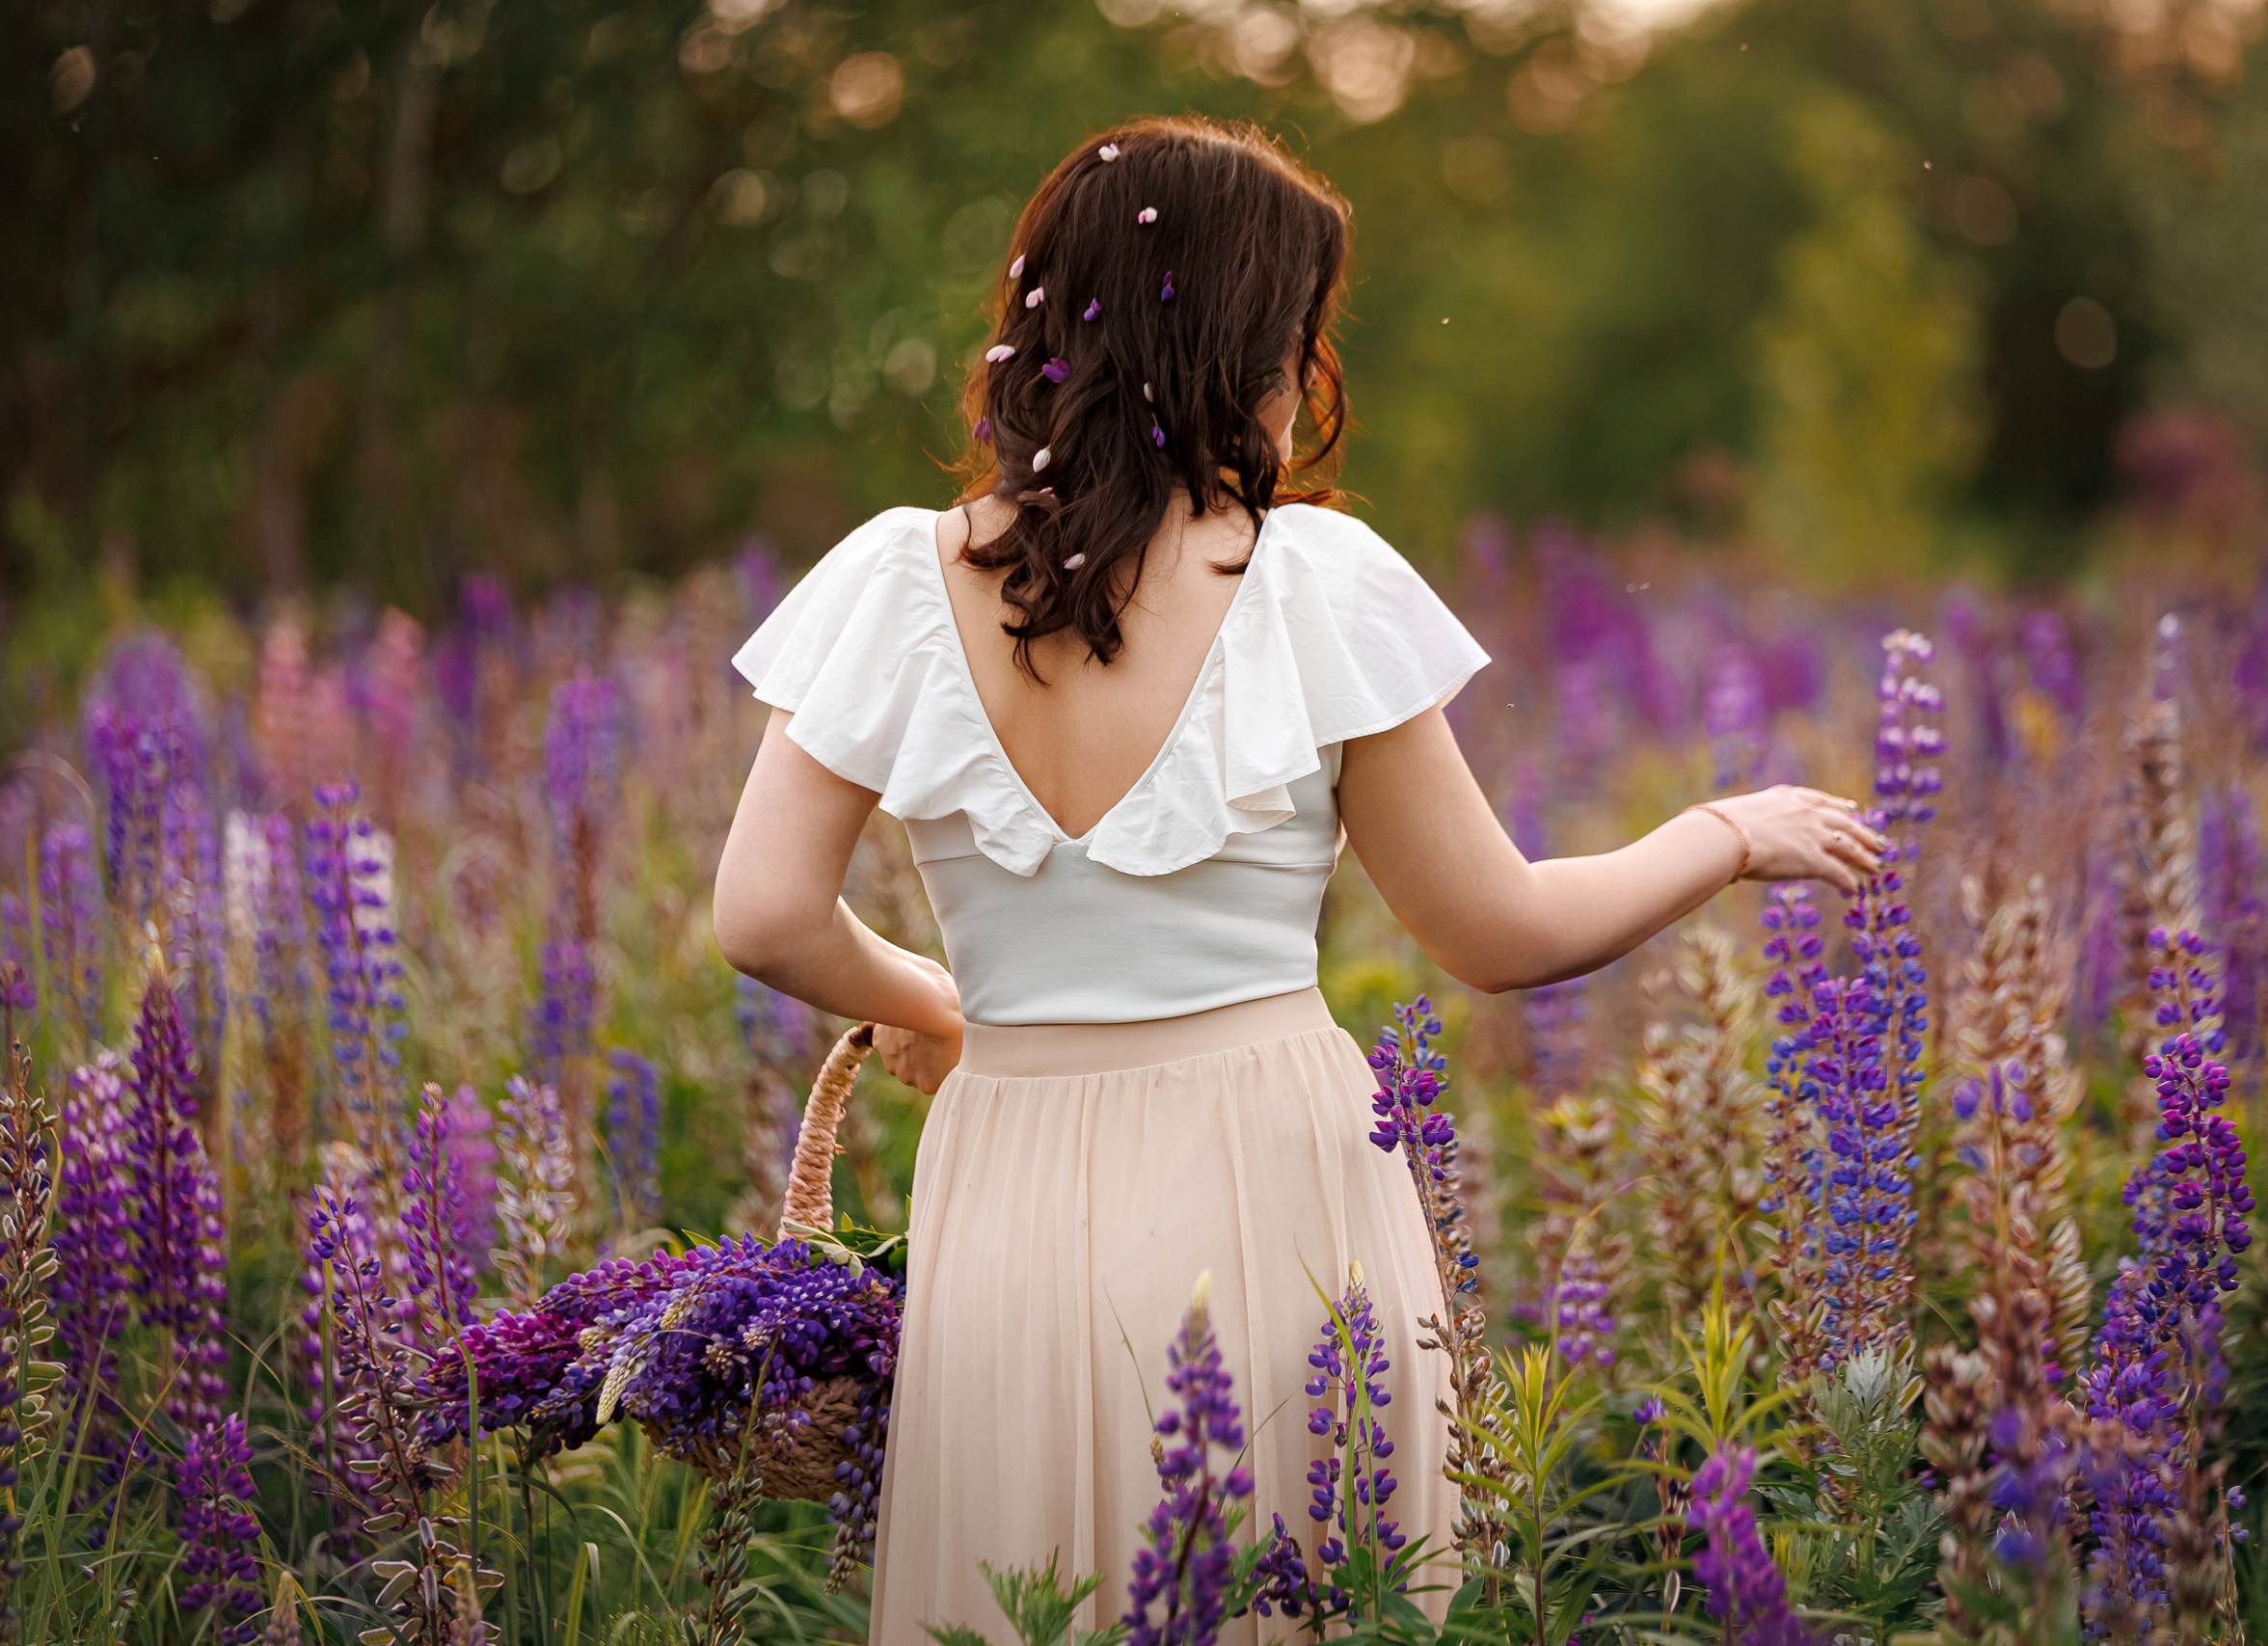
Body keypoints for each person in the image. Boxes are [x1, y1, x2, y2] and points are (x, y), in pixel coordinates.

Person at [713, 115, 1882, 1642]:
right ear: (1251, 351)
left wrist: (934, 1001)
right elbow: (1500, 932)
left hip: (1004, 1179)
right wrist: (1721, 834)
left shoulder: (897, 577)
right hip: (1271, 1183)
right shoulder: (1308, 581)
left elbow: (765, 914)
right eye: (1301, 335)